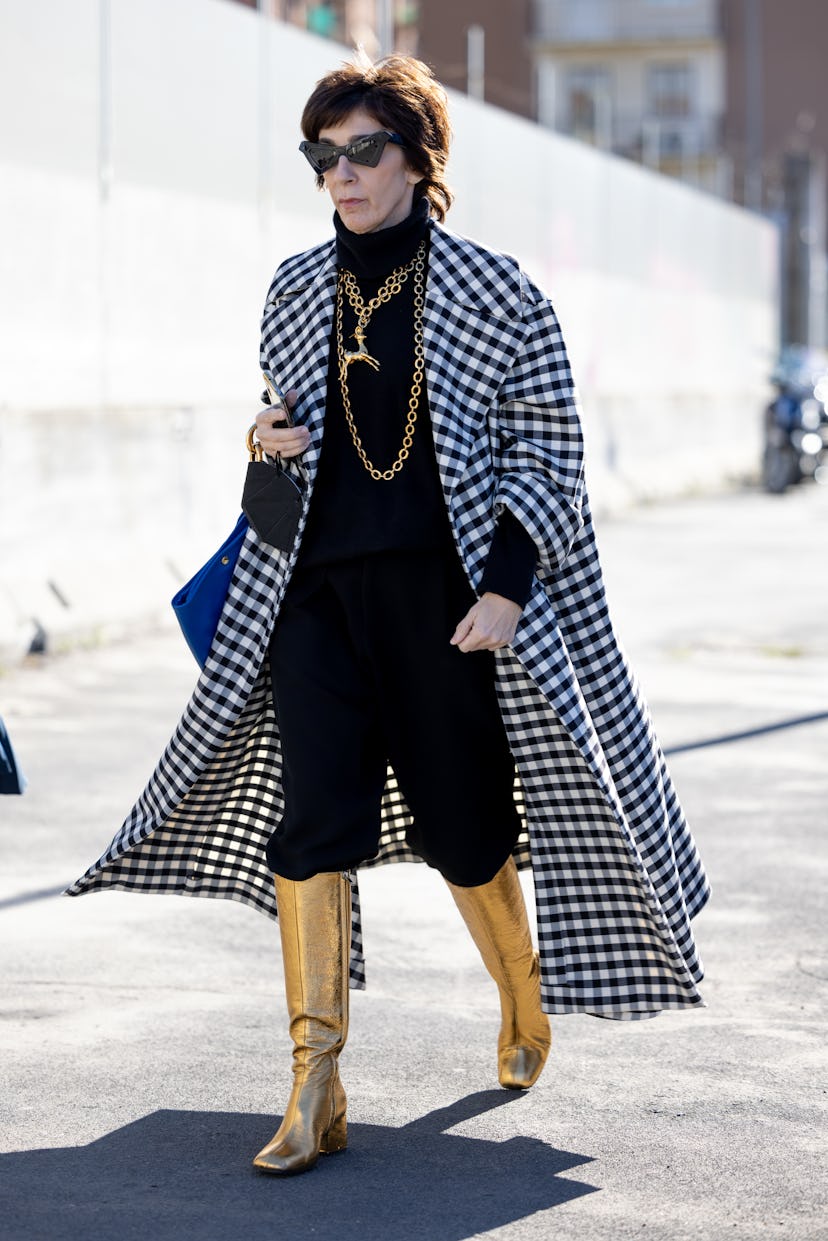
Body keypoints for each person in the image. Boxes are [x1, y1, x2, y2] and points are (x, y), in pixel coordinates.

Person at [67, 55, 710, 1177]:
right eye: (325, 156)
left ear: (417, 156)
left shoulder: (497, 290)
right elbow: (280, 466)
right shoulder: (291, 288)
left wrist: (506, 586)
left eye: (364, 151)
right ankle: (314, 1076)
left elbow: (548, 454)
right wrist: (262, 447)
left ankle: (521, 993)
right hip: (310, 597)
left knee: (466, 821)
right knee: (312, 822)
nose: (343, 174)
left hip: (444, 600)